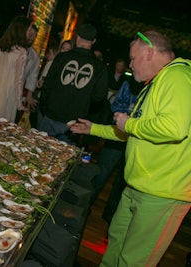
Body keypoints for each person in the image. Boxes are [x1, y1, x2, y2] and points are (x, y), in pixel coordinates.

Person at [70, 30, 191, 266]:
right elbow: (134, 133)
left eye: (133, 59)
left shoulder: (178, 77)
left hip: (161, 194)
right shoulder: (154, 83)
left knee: (133, 261)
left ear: (149, 52)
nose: (130, 65)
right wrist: (94, 129)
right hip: (137, 186)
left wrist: (130, 122)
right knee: (115, 246)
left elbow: (174, 129)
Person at [37, 23, 108, 144]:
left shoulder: (61, 57)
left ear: (77, 37)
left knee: (38, 154)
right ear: (93, 41)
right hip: (74, 124)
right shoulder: (99, 66)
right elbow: (99, 96)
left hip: (51, 116)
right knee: (64, 159)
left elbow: (47, 85)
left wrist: (46, 108)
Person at [90, 76, 143, 224]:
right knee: (102, 172)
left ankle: (111, 215)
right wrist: (128, 115)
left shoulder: (155, 87)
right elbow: (115, 105)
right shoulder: (129, 83)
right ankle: (86, 204)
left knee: (122, 181)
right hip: (117, 138)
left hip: (137, 142)